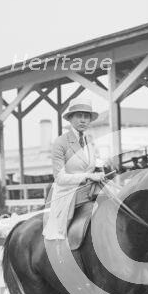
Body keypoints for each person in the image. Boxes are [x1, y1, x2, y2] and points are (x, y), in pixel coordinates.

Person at [43, 99, 106, 240]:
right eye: (79, 116)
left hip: (90, 191)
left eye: (86, 116)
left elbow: (98, 164)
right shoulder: (60, 142)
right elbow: (60, 178)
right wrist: (88, 176)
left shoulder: (91, 142)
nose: (83, 120)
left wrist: (101, 172)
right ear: (70, 118)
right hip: (68, 194)